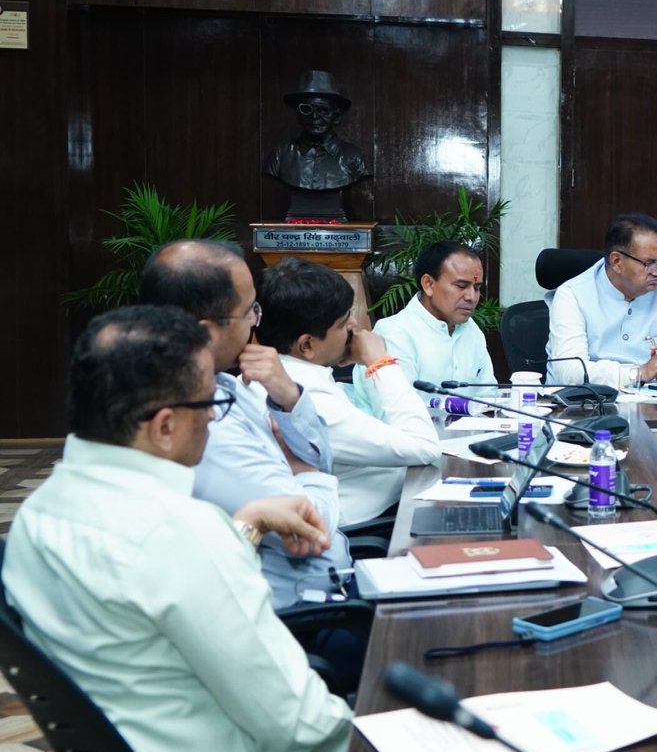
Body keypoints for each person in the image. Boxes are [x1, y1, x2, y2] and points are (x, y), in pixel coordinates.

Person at [2, 305, 352, 752]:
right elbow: (304, 731)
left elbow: (141, 592)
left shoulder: (38, 515)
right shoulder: (181, 532)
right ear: (164, 426)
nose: (212, 415)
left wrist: (245, 524)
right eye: (209, 400)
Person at [140, 239, 351, 610]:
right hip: (295, 610)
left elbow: (322, 461)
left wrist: (290, 399)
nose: (256, 321)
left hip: (326, 587)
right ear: (206, 331)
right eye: (249, 311)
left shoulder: (225, 383)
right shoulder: (202, 421)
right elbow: (312, 523)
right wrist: (304, 471)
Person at [258, 257, 441, 526]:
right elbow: (424, 446)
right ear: (306, 346)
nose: (355, 327)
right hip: (357, 530)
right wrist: (380, 362)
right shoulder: (302, 396)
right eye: (343, 323)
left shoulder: (291, 374)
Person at [547, 213, 657, 387]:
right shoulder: (572, 295)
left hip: (653, 401)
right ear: (616, 262)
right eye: (649, 263)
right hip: (588, 400)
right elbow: (570, 371)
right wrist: (638, 373)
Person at [360, 240, 495, 405]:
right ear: (428, 284)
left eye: (477, 288)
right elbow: (397, 409)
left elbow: (488, 396)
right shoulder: (394, 333)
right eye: (461, 286)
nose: (471, 297)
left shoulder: (471, 330)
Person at [263, 69, 372, 221]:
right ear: (298, 115)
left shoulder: (353, 156)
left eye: (322, 110)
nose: (314, 116)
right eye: (306, 109)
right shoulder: (280, 154)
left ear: (336, 116)